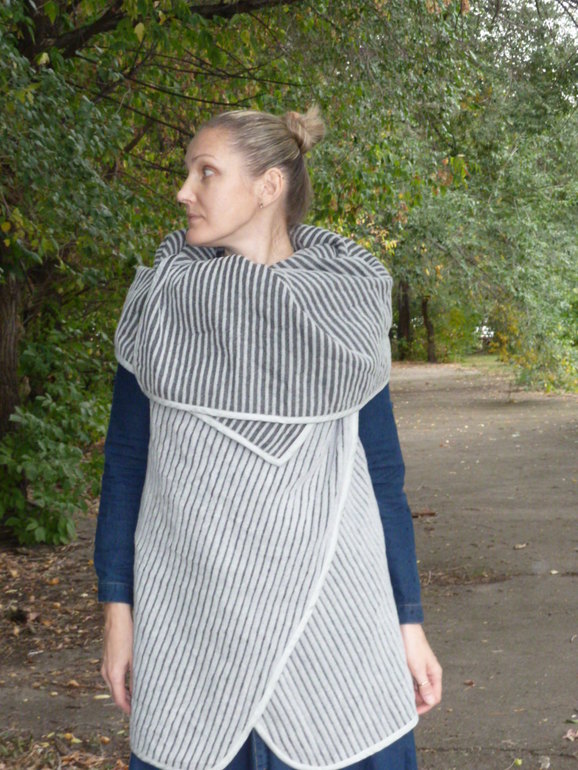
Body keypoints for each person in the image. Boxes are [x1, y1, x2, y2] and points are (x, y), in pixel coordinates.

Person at [93, 105, 442, 770]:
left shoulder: (343, 307)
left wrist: (408, 620)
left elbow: (382, 476)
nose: (183, 191)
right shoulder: (162, 304)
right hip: (192, 621)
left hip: (334, 623)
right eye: (187, 172)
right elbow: (127, 466)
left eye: (206, 172)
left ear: (269, 186)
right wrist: (118, 611)